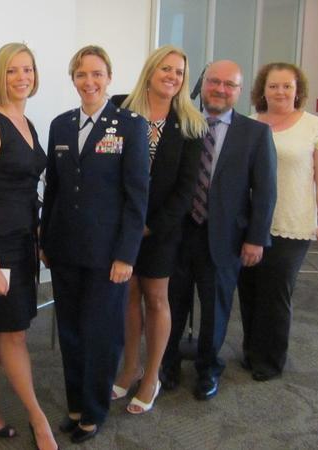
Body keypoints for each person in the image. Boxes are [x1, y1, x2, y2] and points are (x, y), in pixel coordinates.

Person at [40, 45, 149, 443]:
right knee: (70, 330)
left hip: (108, 255)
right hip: (66, 249)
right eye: (82, 74)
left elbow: (138, 196)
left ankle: (95, 409)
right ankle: (76, 403)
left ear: (109, 78)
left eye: (97, 74)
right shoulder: (61, 125)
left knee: (100, 332)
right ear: (73, 79)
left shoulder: (130, 126)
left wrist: (126, 254)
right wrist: (46, 238)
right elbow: (53, 186)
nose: (90, 82)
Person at [160, 60, 277, 401]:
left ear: (239, 92)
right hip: (178, 234)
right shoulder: (181, 123)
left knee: (216, 309)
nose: (220, 89)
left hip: (225, 238)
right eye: (214, 82)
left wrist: (256, 238)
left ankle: (208, 370)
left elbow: (265, 191)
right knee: (171, 303)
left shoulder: (255, 133)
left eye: (229, 85)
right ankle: (166, 364)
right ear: (202, 84)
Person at [0, 42, 58, 450]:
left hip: (20, 238)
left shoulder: (25, 121)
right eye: (13, 71)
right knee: (14, 333)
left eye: (28, 70)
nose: (22, 77)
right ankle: (39, 420)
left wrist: (37, 238)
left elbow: (26, 189)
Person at [110, 45, 205, 414]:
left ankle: (151, 377)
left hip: (161, 229)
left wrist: (148, 228)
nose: (172, 76)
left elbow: (186, 191)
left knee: (156, 298)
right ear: (150, 71)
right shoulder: (120, 109)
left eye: (179, 72)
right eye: (165, 68)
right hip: (122, 224)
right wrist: (125, 225)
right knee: (128, 297)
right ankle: (129, 368)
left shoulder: (191, 123)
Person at [238, 62, 318, 381]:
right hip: (252, 224)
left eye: (287, 86)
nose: (280, 92)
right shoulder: (251, 123)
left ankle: (269, 361)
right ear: (262, 91)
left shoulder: (313, 126)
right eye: (273, 86)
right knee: (250, 289)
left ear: (298, 90)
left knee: (275, 293)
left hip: (293, 224)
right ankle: (251, 352)